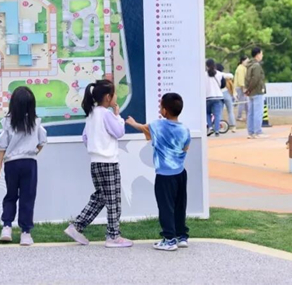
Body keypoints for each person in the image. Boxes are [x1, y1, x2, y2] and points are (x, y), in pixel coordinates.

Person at [64, 80, 133, 248]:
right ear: (108, 97)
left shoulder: (92, 114)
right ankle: (113, 236)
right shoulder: (107, 114)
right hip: (108, 162)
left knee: (101, 197)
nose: (116, 97)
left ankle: (77, 226)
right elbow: (119, 132)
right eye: (114, 94)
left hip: (95, 162)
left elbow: (85, 137)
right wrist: (118, 116)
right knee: (113, 201)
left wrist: (96, 147)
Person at [125, 93, 191, 251]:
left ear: (165, 111)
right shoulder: (184, 129)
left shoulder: (157, 126)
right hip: (180, 173)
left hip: (164, 176)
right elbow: (185, 148)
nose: (160, 108)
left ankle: (169, 240)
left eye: (161, 106)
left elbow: (144, 128)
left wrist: (132, 123)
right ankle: (181, 236)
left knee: (166, 207)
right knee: (180, 206)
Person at [0, 86, 47, 246]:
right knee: (27, 197)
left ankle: (7, 227)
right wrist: (33, 152)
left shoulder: (8, 122)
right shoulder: (35, 122)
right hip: (29, 163)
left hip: (11, 164)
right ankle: (25, 232)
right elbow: (42, 141)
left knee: (11, 195)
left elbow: (2, 145)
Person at [245, 47, 268, 139]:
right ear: (258, 54)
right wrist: (250, 89)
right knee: (258, 112)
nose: (262, 55)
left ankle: (251, 132)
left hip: (251, 93)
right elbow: (256, 79)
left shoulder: (249, 65)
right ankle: (258, 132)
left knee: (251, 113)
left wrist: (248, 89)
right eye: (261, 54)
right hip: (257, 91)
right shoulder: (257, 66)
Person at [205, 59, 231, 137]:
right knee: (217, 114)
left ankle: (210, 127)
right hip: (218, 96)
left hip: (208, 97)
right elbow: (223, 85)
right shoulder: (219, 74)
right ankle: (217, 130)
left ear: (206, 66)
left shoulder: (204, 75)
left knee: (207, 113)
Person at [216, 63, 236, 133]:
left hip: (218, 94)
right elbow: (231, 76)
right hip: (226, 93)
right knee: (230, 111)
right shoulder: (224, 75)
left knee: (219, 111)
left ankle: (220, 126)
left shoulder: (214, 75)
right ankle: (233, 126)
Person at [234, 56, 249, 122]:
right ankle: (239, 116)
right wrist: (243, 88)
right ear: (243, 61)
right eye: (247, 61)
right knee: (242, 102)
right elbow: (241, 80)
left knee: (245, 102)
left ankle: (248, 116)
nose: (248, 62)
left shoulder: (243, 68)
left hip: (242, 87)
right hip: (240, 87)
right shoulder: (240, 68)